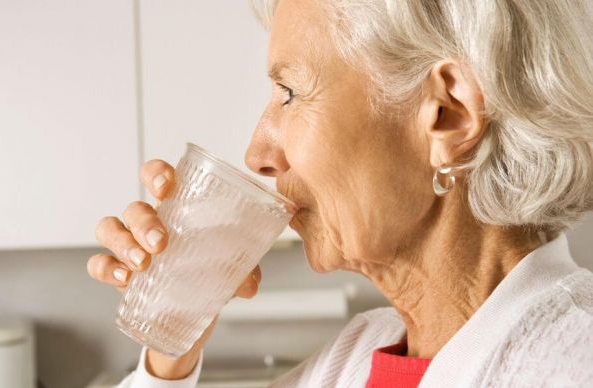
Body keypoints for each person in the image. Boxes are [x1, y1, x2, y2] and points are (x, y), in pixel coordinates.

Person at [87, 0, 593, 386]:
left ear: (447, 113)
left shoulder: (572, 363)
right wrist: (171, 344)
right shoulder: (353, 357)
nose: (258, 153)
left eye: (290, 93)